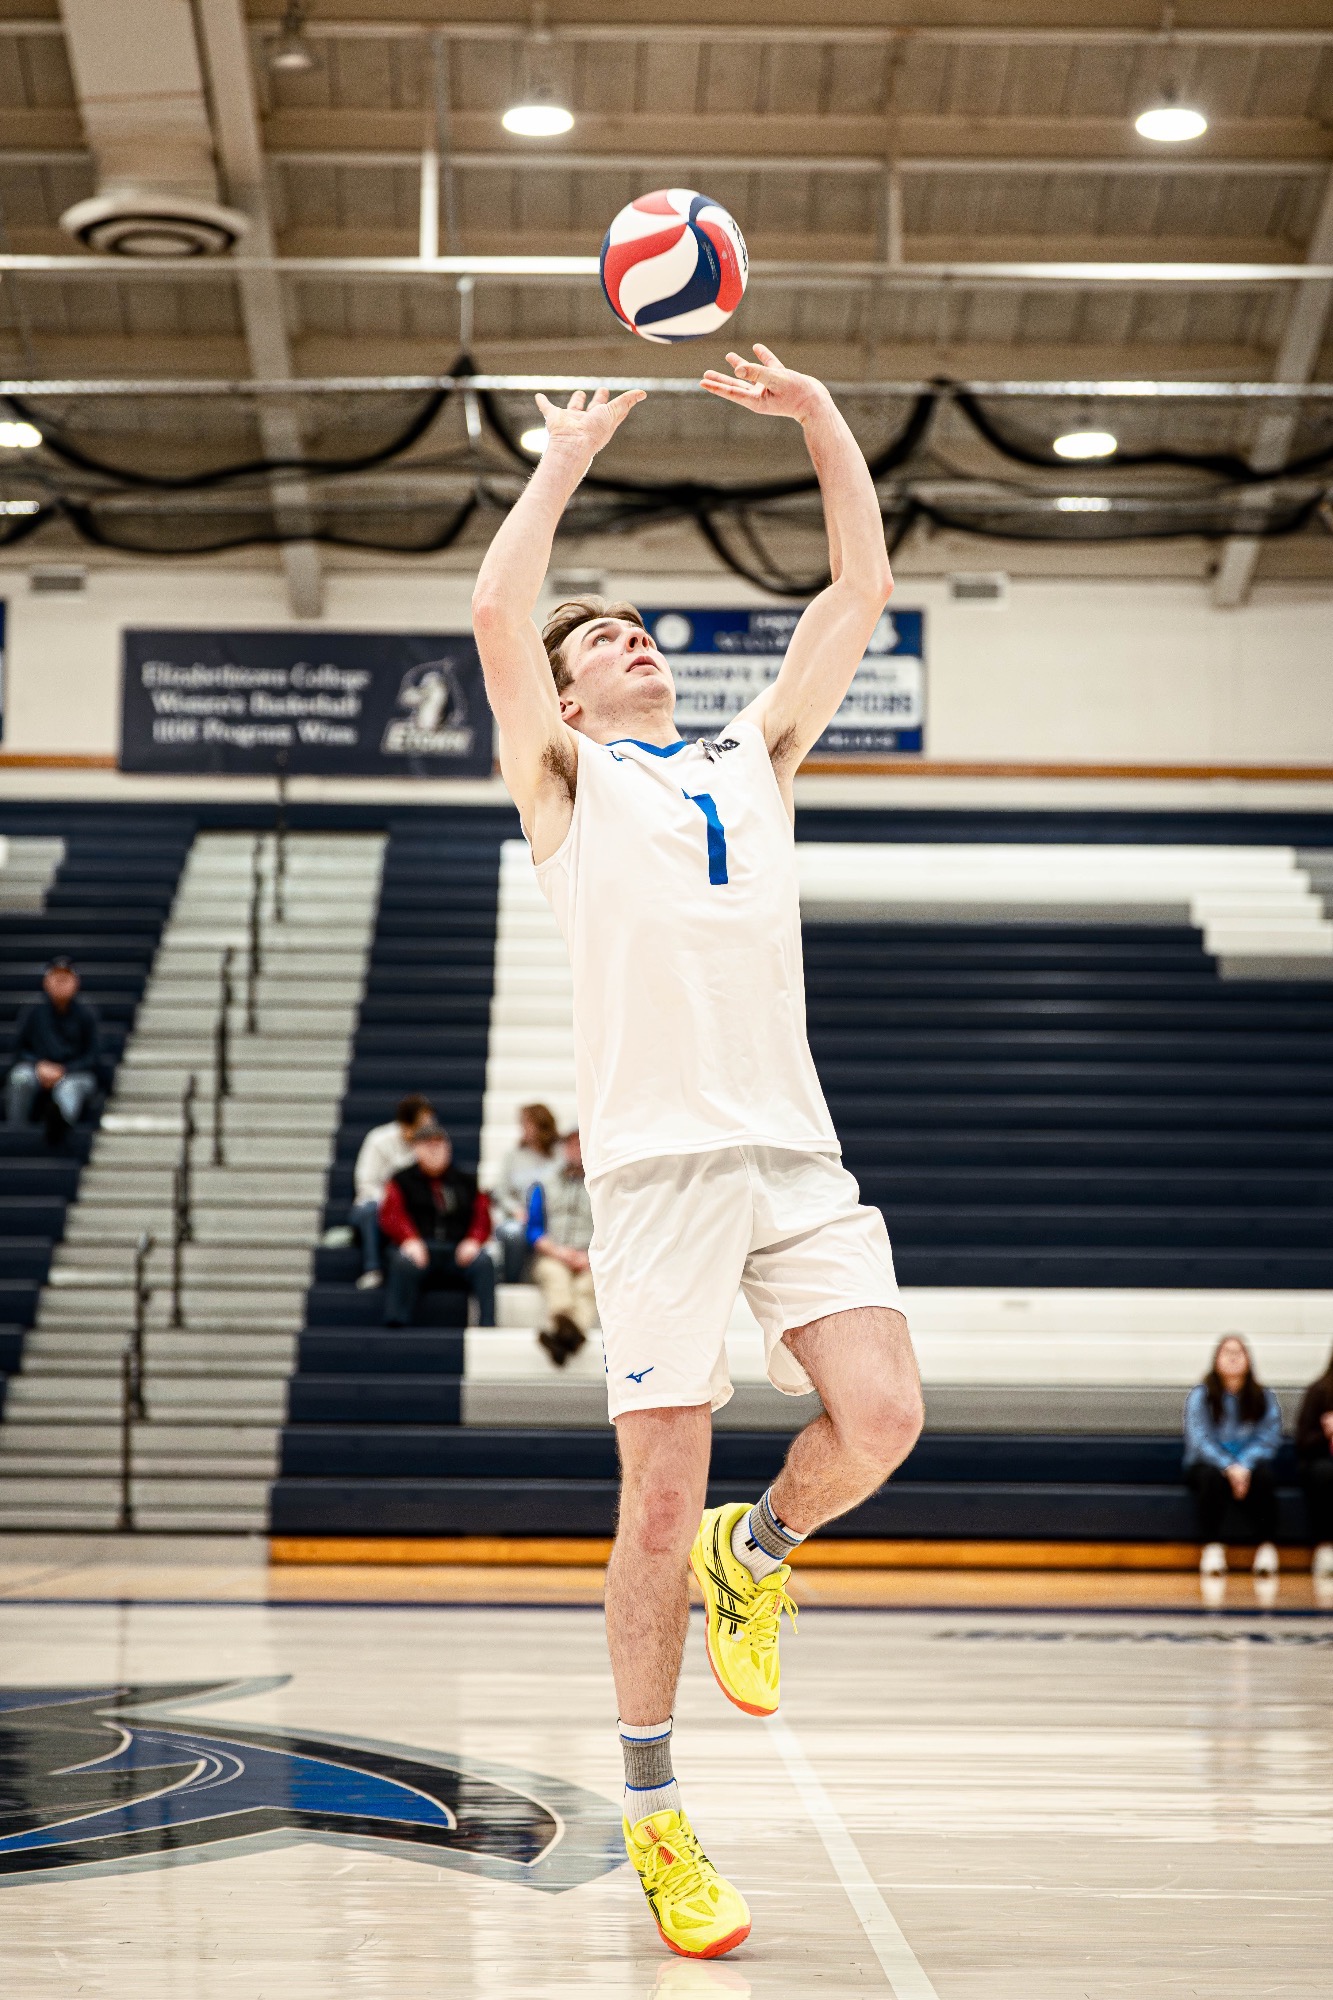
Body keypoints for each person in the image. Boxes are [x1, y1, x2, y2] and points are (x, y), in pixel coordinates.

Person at [472, 343, 922, 1959]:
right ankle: (658, 1817)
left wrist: (817, 420)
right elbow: (490, 618)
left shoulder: (750, 756)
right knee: (646, 1510)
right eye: (597, 639)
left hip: (791, 1154)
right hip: (657, 1174)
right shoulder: (565, 782)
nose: (625, 640)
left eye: (639, 627)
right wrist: (566, 459)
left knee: (880, 1416)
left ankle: (771, 1545)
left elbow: (855, 592)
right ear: (572, 696)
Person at [1183, 1336, 1284, 1580]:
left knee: (1265, 1477)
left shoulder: (1262, 1397)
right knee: (1210, 1478)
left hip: (1247, 1465)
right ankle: (1213, 1548)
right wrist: (1228, 1467)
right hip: (1209, 1464)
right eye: (1226, 1352)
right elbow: (1199, 1440)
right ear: (1216, 1360)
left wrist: (1244, 1466)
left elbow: (1268, 1437)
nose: (1232, 1357)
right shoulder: (1200, 1396)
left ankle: (1266, 1548)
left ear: (1248, 1360)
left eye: (1239, 1352)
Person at [379, 1120, 496, 1328]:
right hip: (420, 1248)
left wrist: (474, 1240)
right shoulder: (401, 1180)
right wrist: (409, 1239)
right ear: (416, 1149)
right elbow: (391, 1216)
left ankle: (487, 1324)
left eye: (439, 1145)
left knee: (483, 1262)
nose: (434, 1151)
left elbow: (482, 1216)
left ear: (448, 1148)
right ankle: (396, 1323)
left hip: (456, 1250)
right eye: (427, 1145)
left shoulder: (467, 1180)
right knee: (402, 1261)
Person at [4, 956, 104, 1146]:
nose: (61, 983)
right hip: (39, 1069)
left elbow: (93, 1057)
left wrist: (64, 1070)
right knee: (20, 1078)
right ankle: (15, 1132)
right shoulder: (33, 1013)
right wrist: (39, 1066)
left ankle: (61, 1127)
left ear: (76, 983)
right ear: (46, 982)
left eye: (65, 979)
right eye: (56, 978)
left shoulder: (87, 1015)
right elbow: (19, 1049)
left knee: (68, 1087)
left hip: (75, 1073)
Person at [350, 1093, 434, 1289]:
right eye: (423, 1124)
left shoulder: (427, 1145)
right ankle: (373, 1269)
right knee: (371, 1210)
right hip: (374, 1205)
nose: (428, 1128)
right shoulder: (378, 1140)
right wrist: (391, 1204)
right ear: (406, 1124)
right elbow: (366, 1184)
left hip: (410, 1209)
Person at [527, 1129, 596, 1367]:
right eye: (571, 1145)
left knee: (588, 1285)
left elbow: (615, 1229)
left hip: (591, 1256)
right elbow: (534, 1229)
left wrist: (590, 1256)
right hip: (555, 1253)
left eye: (580, 1145)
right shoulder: (544, 1183)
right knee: (555, 1276)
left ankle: (559, 1335)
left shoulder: (603, 1184)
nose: (575, 1150)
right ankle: (571, 1334)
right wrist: (558, 1252)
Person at [492, 1102, 561, 1283]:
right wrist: (516, 1210)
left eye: (528, 1123)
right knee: (513, 1232)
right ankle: (512, 1280)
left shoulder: (560, 1155)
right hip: (521, 1216)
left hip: (552, 1214)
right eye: (522, 1124)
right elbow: (500, 1191)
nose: (524, 1128)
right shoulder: (513, 1156)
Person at [1294, 1345, 1333, 1582]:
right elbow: (1303, 1442)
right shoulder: (1319, 1391)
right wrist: (1326, 1433)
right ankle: (1326, 1547)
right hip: (1322, 1462)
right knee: (1324, 1472)